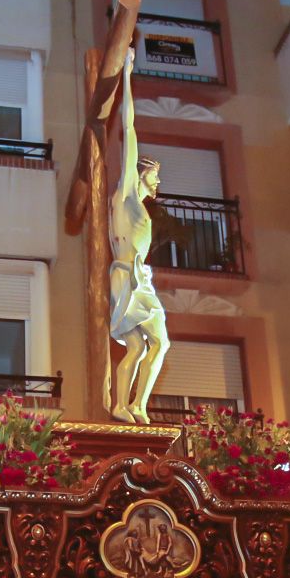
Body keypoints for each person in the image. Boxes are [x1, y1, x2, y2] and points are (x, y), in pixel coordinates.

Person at [105, 49, 170, 424]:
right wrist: (128, 73)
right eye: (154, 174)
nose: (158, 181)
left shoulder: (140, 205)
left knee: (141, 347)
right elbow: (128, 129)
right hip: (126, 275)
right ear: (140, 174)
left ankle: (130, 405)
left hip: (138, 278)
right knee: (152, 343)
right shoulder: (127, 195)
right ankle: (131, 405)